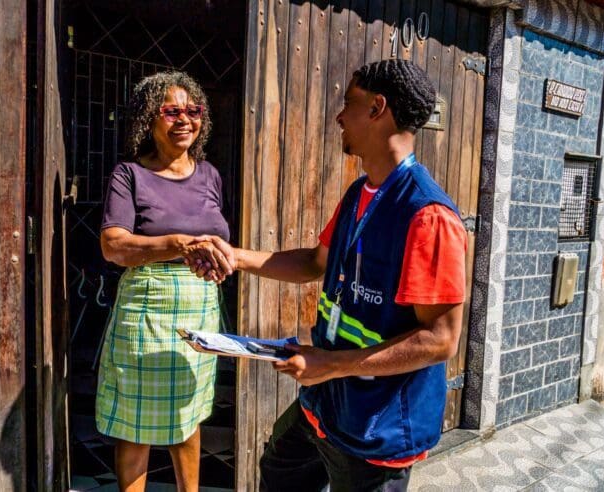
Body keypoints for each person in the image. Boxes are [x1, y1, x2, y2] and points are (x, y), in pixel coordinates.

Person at [192, 59, 467, 491]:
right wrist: (236, 257)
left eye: (348, 103)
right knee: (279, 469)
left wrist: (330, 364)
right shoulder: (360, 192)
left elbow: (440, 339)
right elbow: (315, 263)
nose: (339, 116)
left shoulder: (428, 216)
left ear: (378, 108)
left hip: (376, 427)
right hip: (326, 403)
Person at [96, 70, 234, 492]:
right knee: (136, 421)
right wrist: (176, 244)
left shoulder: (210, 175)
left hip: (199, 307)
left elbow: (218, 236)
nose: (184, 119)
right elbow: (113, 245)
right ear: (148, 119)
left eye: (192, 110)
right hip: (148, 307)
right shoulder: (129, 176)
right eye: (171, 110)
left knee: (187, 415)